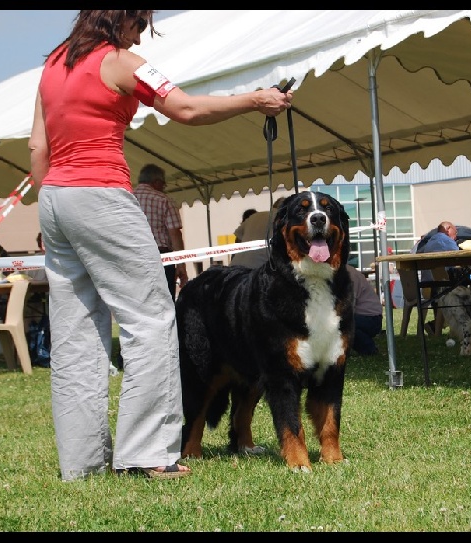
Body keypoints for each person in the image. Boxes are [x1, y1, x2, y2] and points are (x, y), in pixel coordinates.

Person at [28, 10, 292, 481]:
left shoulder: (53, 64)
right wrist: (255, 100)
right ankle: (147, 452)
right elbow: (185, 109)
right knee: (150, 319)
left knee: (75, 339)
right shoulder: (121, 62)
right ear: (121, 20)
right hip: (100, 193)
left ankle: (82, 465)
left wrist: (49, 213)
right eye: (139, 24)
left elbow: (38, 148)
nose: (142, 34)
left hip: (54, 200)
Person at [134, 163, 187, 300]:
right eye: (163, 185)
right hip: (161, 256)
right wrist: (181, 264)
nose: (164, 188)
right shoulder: (164, 200)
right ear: (156, 182)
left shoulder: (126, 198)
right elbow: (175, 233)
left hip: (131, 255)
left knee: (137, 302)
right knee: (164, 303)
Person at [231, 197, 285, 268]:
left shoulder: (254, 216)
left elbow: (238, 240)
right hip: (259, 268)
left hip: (235, 266)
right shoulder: (283, 220)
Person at [346, 264, 382, 356]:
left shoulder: (349, 275)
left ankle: (368, 348)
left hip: (371, 319)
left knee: (342, 323)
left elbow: (349, 306)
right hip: (363, 317)